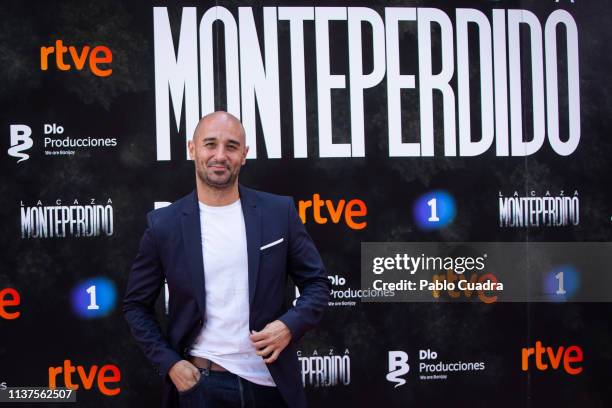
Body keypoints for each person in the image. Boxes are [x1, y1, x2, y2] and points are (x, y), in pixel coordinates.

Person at [123, 111, 330, 407]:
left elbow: (317, 284)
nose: (220, 155)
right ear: (192, 149)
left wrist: (288, 326)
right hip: (202, 385)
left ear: (244, 155)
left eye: (231, 147)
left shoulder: (278, 212)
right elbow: (135, 306)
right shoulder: (164, 225)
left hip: (270, 385)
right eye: (210, 144)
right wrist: (171, 364)